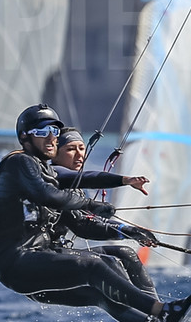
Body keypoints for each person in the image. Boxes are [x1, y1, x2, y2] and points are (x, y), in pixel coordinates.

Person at [0, 104, 191, 322]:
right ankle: (163, 311)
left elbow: (82, 209)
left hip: (40, 263)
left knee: (110, 271)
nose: (51, 137)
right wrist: (92, 205)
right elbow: (47, 194)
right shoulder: (18, 163)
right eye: (42, 133)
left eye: (54, 131)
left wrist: (125, 206)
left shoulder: (45, 171)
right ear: (25, 138)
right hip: (18, 264)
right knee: (94, 266)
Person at [49, 127, 159, 305]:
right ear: (53, 154)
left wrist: (131, 230)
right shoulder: (53, 178)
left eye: (81, 148)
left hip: (61, 254)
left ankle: (160, 314)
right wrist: (126, 230)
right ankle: (155, 313)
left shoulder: (74, 184)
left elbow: (88, 219)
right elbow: (82, 227)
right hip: (45, 264)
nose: (79, 155)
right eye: (70, 149)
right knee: (109, 263)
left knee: (126, 254)